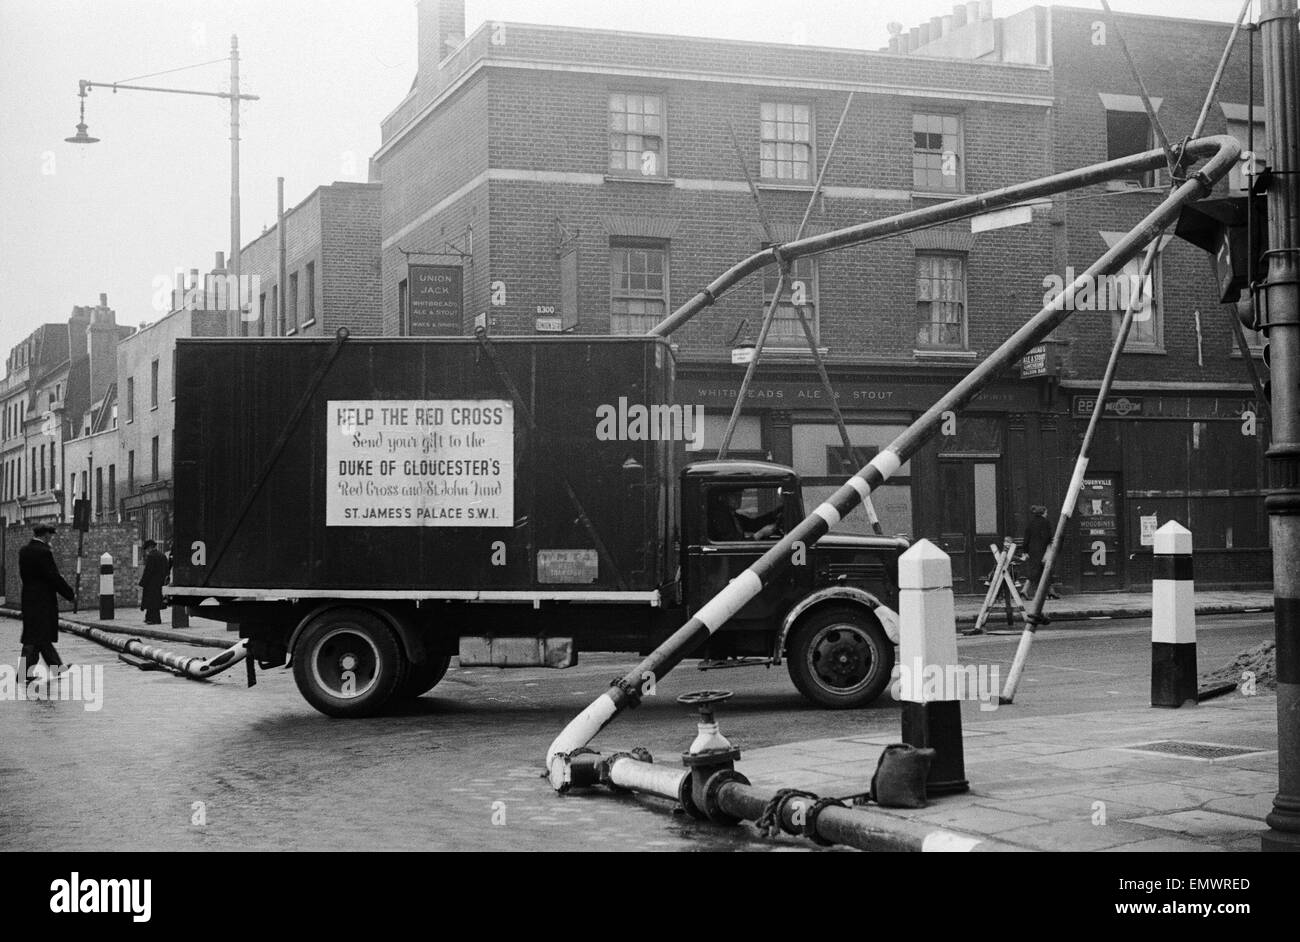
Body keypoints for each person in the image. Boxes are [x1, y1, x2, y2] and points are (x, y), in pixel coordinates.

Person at [19, 523, 76, 682]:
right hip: (43, 600)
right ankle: (25, 673)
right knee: (36, 636)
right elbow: (53, 577)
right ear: (45, 535)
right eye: (50, 535)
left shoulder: (24, 551)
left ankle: (55, 668)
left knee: (37, 635)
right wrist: (69, 594)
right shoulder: (44, 552)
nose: (51, 538)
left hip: (28, 598)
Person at [707, 488, 781, 542]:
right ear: (724, 497)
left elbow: (753, 524)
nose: (738, 499)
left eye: (740, 496)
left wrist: (775, 513)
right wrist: (760, 534)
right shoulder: (720, 517)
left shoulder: (733, 515)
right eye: (734, 496)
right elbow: (734, 545)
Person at [1021, 504, 1057, 599]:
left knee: (1037, 570)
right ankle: (1026, 590)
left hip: (1032, 551)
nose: (1047, 514)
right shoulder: (1045, 522)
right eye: (1046, 512)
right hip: (1043, 550)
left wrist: (1025, 551)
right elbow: (1047, 538)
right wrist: (1048, 550)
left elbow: (1026, 538)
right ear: (1043, 513)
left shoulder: (1031, 523)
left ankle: (1051, 592)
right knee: (1045, 570)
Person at [139, 539, 171, 625]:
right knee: (156, 601)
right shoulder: (162, 556)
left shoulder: (151, 556)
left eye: (146, 549)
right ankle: (150, 618)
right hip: (160, 583)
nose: (146, 551)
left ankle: (153, 619)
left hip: (151, 583)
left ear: (149, 548)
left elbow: (148, 571)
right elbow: (167, 569)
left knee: (151, 602)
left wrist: (142, 582)